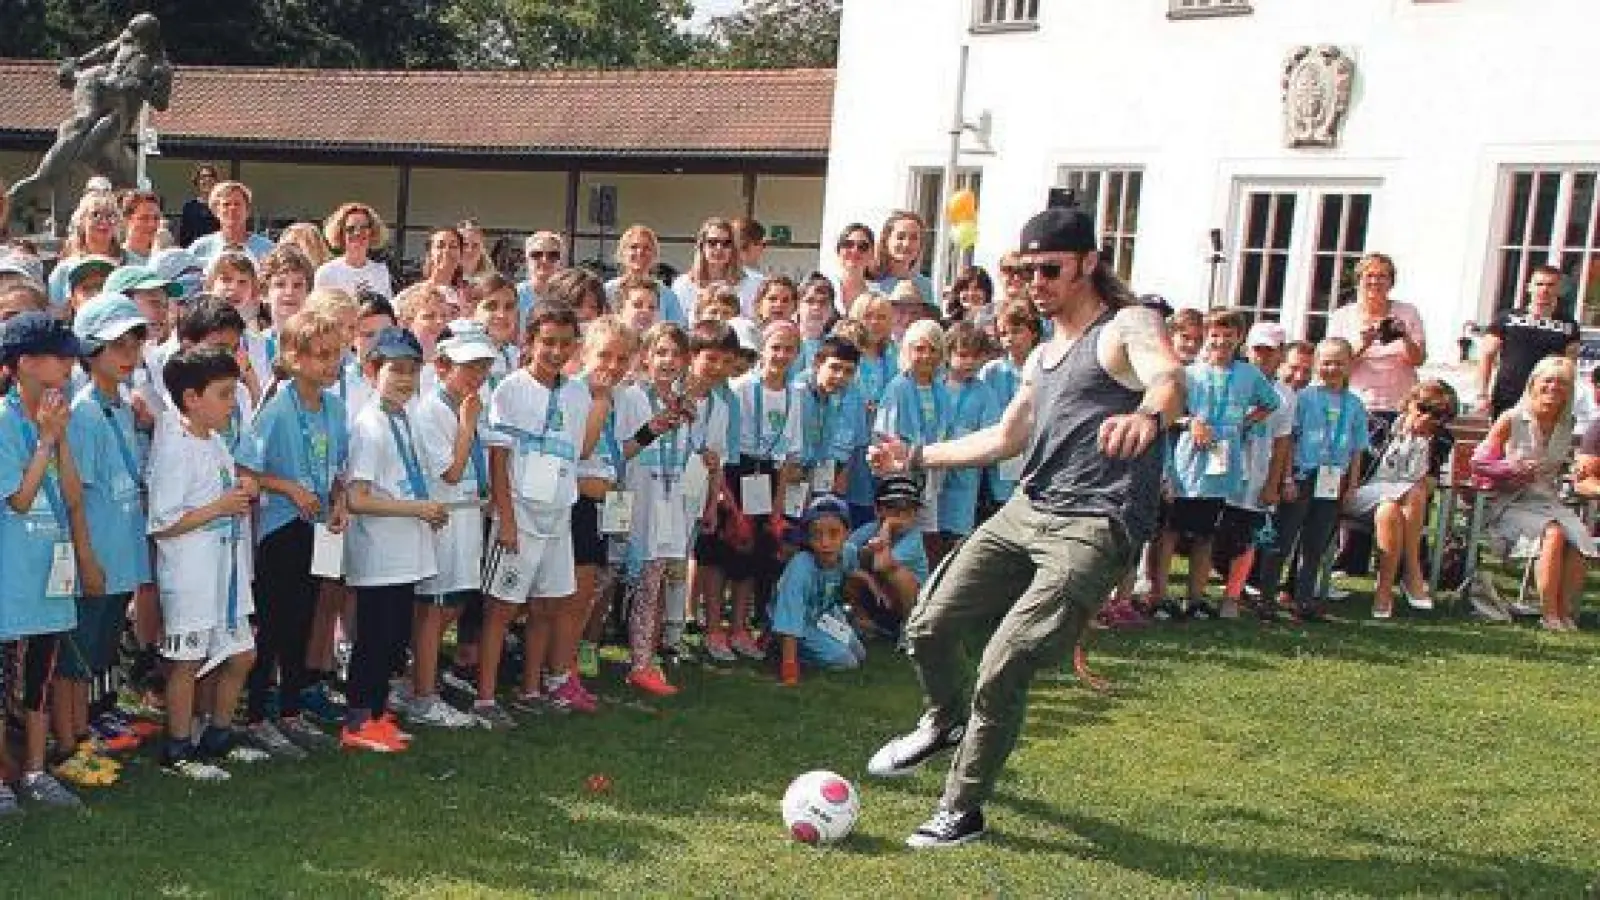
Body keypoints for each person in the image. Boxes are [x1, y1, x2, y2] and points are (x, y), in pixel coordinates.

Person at [863, 207, 1184, 848]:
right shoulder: (1042, 353)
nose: (1034, 281)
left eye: (1048, 268)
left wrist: (1149, 416)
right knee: (928, 624)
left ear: (1088, 263)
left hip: (1096, 521)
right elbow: (1006, 438)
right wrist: (916, 456)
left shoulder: (1126, 325)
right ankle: (945, 720)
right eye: (1023, 270)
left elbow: (1169, 376)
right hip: (1027, 509)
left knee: (1006, 660)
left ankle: (963, 807)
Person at [478, 306, 603, 727]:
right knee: (501, 608)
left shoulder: (577, 392)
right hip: (520, 515)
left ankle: (532, 689)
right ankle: (486, 697)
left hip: (557, 515)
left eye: (565, 343)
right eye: (547, 342)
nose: (555, 350)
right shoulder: (510, 389)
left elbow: (576, 452)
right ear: (529, 342)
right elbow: (498, 459)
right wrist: (506, 519)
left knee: (548, 606)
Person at [234, 310, 349, 756]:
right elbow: (247, 470)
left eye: (335, 355)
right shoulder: (278, 407)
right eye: (319, 356)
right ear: (293, 358)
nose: (329, 364)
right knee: (274, 624)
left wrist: (338, 501)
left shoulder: (336, 406)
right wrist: (288, 487)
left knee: (304, 621)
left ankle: (291, 710)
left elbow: (339, 467)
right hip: (282, 529)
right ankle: (258, 714)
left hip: (318, 528)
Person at [147, 346, 265, 780]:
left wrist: (242, 487)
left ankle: (218, 734)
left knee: (241, 655)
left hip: (227, 572)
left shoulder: (214, 440)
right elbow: (163, 523)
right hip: (191, 574)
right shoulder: (174, 447)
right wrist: (220, 506)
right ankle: (178, 749)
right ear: (192, 398)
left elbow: (221, 493)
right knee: (187, 663)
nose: (231, 403)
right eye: (223, 394)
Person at [56, 296, 156, 789]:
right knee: (76, 656)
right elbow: (77, 499)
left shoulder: (121, 408)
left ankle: (89, 729)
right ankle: (70, 741)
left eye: (135, 341)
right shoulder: (84, 414)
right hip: (94, 556)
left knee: (99, 650)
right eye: (117, 343)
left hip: (121, 554)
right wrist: (86, 559)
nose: (129, 351)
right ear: (90, 350)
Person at [0, 312, 96, 808]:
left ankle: (37, 771)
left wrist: (58, 439)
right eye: (60, 356)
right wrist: (44, 440)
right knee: (3, 682)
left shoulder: (56, 415)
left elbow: (73, 495)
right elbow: (18, 498)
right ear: (25, 364)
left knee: (40, 675)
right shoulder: (5, 420)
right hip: (11, 578)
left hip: (48, 574)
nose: (69, 364)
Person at [342, 327, 445, 751]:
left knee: (394, 637)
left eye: (412, 371)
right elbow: (357, 498)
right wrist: (416, 510)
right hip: (379, 553)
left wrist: (425, 509)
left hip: (405, 550)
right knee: (373, 639)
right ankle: (358, 721)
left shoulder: (402, 419)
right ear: (371, 371)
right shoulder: (369, 426)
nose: (405, 379)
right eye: (395, 370)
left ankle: (380, 713)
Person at [1149, 309, 1278, 619]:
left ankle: (1195, 596)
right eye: (1214, 335)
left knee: (1207, 531)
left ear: (1239, 338)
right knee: (1171, 529)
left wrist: (1243, 424)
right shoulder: (1190, 373)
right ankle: (1160, 594)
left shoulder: (1249, 375)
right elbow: (1166, 411)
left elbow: (1271, 402)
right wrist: (1189, 421)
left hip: (1223, 458)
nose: (1221, 341)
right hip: (1188, 460)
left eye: (1228, 335)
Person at [408, 322, 496, 728]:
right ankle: (422, 693)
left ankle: (421, 679)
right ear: (442, 367)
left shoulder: (466, 405)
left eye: (482, 367)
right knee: (434, 605)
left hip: (466, 514)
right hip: (445, 516)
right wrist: (467, 422)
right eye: (468, 367)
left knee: (455, 601)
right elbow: (451, 471)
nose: (476, 376)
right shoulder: (433, 410)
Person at [1472, 356, 1594, 630]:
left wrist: (1573, 469)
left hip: (1547, 499)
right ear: (1533, 384)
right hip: (1510, 501)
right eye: (1547, 381)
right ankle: (1549, 614)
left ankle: (1564, 612)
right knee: (1554, 533)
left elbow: (1560, 464)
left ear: (1570, 391)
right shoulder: (1512, 419)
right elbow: (1478, 463)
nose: (1553, 388)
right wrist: (1509, 468)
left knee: (1580, 540)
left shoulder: (1567, 424)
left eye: (1561, 383)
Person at [1257, 338, 1369, 622]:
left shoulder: (1355, 404)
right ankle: (1267, 597)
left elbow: (1357, 448)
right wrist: (1287, 478)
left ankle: (1303, 599)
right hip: (1303, 475)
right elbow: (1290, 439)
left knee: (1315, 543)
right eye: (1326, 362)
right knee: (1283, 538)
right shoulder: (1304, 398)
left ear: (1349, 366)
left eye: (1339, 363)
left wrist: (1352, 484)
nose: (1332, 368)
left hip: (1333, 479)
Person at [615, 322, 698, 692]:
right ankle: (567, 658)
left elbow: (685, 458)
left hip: (668, 500)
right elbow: (621, 451)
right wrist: (652, 429)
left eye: (676, 354)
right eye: (661, 352)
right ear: (646, 357)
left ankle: (641, 663)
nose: (668, 361)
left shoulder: (684, 404)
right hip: (634, 499)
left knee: (652, 584)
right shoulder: (631, 396)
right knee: (605, 581)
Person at [1348, 381, 1456, 618]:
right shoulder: (1380, 424)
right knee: (1409, 492)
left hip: (1400, 506)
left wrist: (1424, 442)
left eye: (1438, 414)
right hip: (1364, 491)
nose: (1428, 417)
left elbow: (1430, 484)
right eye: (1423, 408)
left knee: (1392, 508)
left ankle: (1384, 591)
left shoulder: (1442, 439)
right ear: (1409, 403)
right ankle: (1412, 570)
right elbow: (1357, 464)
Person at [771, 495, 868, 685]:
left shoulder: (848, 552)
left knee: (860, 654)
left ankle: (815, 648)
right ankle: (783, 650)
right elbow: (790, 619)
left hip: (824, 614)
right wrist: (789, 673)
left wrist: (870, 583)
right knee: (847, 662)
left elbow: (851, 571)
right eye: (817, 535)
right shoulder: (801, 568)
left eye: (834, 534)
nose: (825, 543)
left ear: (847, 533)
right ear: (807, 536)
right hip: (799, 622)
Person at [933, 323, 1003, 566]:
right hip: (933, 467)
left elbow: (991, 430)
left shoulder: (985, 393)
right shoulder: (934, 384)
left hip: (965, 471)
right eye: (963, 355)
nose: (969, 362)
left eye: (976, 356)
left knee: (958, 531)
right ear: (948, 353)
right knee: (930, 528)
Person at [1476, 264, 1581, 417]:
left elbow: (1570, 367)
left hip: (1548, 399)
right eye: (1539, 284)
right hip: (1507, 397)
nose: (1544, 290)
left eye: (1550, 285)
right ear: (1529, 287)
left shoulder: (1569, 325)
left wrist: (1567, 400)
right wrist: (1482, 394)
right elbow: (1486, 356)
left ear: (1558, 289)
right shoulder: (1507, 318)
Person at [843, 474, 929, 638]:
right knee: (853, 564)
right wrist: (867, 578)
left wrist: (888, 526)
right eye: (894, 509)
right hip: (878, 597)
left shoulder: (913, 537)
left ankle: (910, 630)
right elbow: (842, 558)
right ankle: (864, 622)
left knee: (899, 574)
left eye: (909, 510)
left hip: (910, 604)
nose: (902, 516)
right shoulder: (869, 529)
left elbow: (882, 565)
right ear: (877, 509)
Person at [46, 191, 124, 310]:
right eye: (95, 214)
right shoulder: (64, 270)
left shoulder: (131, 261)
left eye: (110, 215)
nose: (103, 221)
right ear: (81, 221)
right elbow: (57, 312)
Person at [674, 217, 762, 321]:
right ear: (702, 246)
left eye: (726, 243)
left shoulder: (753, 283)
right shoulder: (682, 284)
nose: (719, 248)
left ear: (733, 248)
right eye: (712, 242)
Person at [606, 225, 686, 325]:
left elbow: (678, 332)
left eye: (647, 248)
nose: (640, 252)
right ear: (622, 253)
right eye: (633, 247)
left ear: (655, 255)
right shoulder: (607, 291)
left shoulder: (667, 296)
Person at [314, 203, 394, 300]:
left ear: (372, 232)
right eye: (350, 229)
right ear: (340, 234)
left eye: (363, 228)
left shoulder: (381, 272)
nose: (357, 233)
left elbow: (387, 310)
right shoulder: (326, 273)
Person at [187, 181, 274, 267]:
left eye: (237, 204)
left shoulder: (268, 249)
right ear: (215, 211)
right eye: (226, 204)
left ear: (247, 211)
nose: (232, 208)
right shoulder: (200, 248)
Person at [873, 211, 936, 312]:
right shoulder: (871, 282)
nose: (907, 244)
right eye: (900, 237)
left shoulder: (924, 285)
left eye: (914, 238)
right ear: (886, 240)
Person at [515, 231, 565, 326]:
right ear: (526, 259)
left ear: (561, 261)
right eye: (536, 254)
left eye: (553, 255)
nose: (544, 260)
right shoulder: (515, 295)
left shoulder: (569, 295)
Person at [418, 227, 467, 316]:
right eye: (440, 246)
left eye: (453, 246)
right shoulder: (414, 294)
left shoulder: (470, 295)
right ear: (430, 254)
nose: (446, 251)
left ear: (461, 254)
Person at [831, 223, 877, 316]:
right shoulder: (823, 287)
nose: (855, 251)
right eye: (848, 244)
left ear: (871, 254)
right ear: (838, 251)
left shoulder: (878, 296)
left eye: (862, 247)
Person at [177, 164, 221, 247]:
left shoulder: (222, 206)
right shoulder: (189, 207)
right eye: (202, 177)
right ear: (197, 181)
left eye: (210, 176)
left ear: (215, 181)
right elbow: (184, 237)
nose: (207, 180)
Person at [119, 189, 164, 265]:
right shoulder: (118, 260)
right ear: (127, 220)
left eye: (156, 218)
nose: (152, 224)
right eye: (144, 218)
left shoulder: (163, 260)